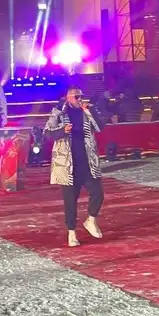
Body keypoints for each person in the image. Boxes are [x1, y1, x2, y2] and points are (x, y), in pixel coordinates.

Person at [44, 86, 105, 247]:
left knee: (98, 193)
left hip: (87, 161)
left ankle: (91, 220)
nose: (79, 99)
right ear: (68, 98)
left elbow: (100, 127)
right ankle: (71, 232)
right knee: (70, 201)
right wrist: (62, 130)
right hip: (68, 164)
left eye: (81, 96)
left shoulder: (88, 110)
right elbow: (47, 133)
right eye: (76, 97)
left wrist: (89, 112)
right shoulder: (59, 112)